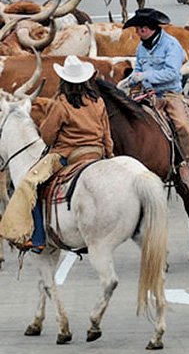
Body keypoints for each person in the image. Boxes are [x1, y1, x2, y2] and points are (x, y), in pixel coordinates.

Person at [0, 56, 114, 253]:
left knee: (30, 183)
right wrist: (109, 156)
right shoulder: (98, 102)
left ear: (64, 81)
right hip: (97, 152)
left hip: (68, 154)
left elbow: (47, 136)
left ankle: (38, 238)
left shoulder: (61, 104)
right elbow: (107, 135)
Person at [119, 8, 189, 187]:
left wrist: (145, 76)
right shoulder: (141, 48)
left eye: (139, 29)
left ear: (148, 29)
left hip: (169, 94)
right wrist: (127, 82)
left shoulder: (171, 45)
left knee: (182, 125)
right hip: (145, 93)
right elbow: (137, 70)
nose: (136, 32)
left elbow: (171, 73)